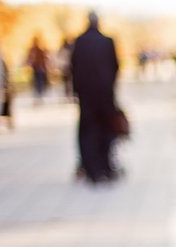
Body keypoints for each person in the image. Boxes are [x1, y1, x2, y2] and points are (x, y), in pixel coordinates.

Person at [71, 11, 120, 183]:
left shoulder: (79, 42)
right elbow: (115, 67)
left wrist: (76, 92)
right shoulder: (107, 42)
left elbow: (73, 69)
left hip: (86, 95)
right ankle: (105, 166)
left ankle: (91, 168)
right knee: (106, 130)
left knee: (87, 131)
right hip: (105, 95)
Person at [25, 36, 49, 104]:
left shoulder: (40, 49)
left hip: (40, 68)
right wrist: (27, 65)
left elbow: (44, 58)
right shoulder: (32, 49)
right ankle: (37, 96)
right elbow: (29, 58)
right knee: (35, 82)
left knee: (40, 82)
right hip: (35, 68)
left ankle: (40, 95)